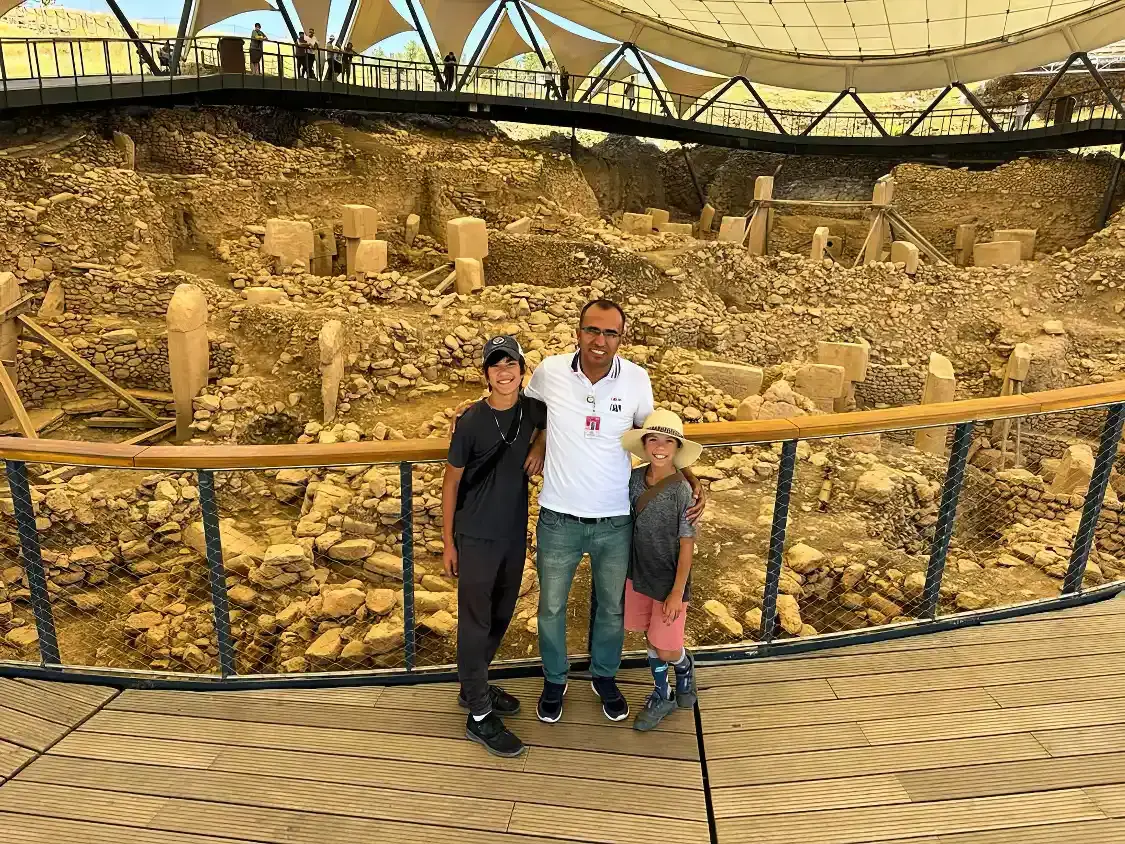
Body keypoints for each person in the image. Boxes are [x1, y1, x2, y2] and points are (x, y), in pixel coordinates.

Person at [523, 300, 705, 724]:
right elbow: (530, 409)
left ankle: (604, 676)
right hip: (558, 516)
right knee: (550, 607)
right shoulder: (550, 371)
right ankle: (555, 679)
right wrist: (538, 440)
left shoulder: (637, 380)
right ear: (577, 331)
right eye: (592, 330)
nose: (599, 341)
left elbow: (658, 438)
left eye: (610, 333)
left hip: (614, 520)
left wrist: (691, 477)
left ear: (621, 338)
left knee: (611, 608)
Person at [443, 336, 547, 757]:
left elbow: (553, 421)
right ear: (486, 373)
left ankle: (474, 687)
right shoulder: (471, 422)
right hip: (475, 533)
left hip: (511, 532)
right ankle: (480, 715)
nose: (504, 373)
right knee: (475, 620)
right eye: (496, 366)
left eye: (511, 365)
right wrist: (448, 542)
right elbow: (451, 483)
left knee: (502, 612)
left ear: (522, 370)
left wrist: (539, 444)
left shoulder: (533, 410)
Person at [620, 410, 700, 731]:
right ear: (644, 443)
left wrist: (678, 591)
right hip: (637, 573)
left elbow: (686, 543)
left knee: (666, 646)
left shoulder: (683, 492)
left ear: (677, 448)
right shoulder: (635, 479)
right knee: (648, 635)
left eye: (669, 441)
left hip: (669, 581)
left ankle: (683, 666)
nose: (661, 446)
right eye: (654, 438)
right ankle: (662, 692)